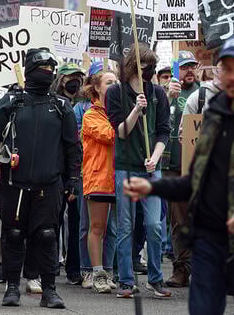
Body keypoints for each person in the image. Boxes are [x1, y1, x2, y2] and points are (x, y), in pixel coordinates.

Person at [123, 34, 234, 315]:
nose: (233, 76)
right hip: (209, 236)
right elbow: (195, 181)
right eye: (228, 68)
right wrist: (153, 188)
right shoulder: (214, 113)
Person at [0, 48, 82, 308]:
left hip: (49, 185)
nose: (47, 72)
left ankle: (49, 289)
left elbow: (73, 146)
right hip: (14, 183)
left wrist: (73, 178)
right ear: (28, 70)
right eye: (42, 67)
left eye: (51, 68)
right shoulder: (11, 101)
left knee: (47, 235)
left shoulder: (61, 106)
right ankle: (12, 286)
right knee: (13, 234)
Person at [105, 43, 171, 299]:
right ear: (134, 66)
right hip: (126, 168)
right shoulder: (115, 93)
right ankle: (126, 280)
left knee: (154, 225)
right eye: (146, 66)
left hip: (152, 170)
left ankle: (155, 278)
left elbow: (163, 130)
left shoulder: (158, 94)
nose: (151, 70)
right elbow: (120, 132)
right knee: (126, 225)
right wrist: (135, 110)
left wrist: (155, 158)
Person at [162, 51, 200, 288]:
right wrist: (167, 97)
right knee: (179, 221)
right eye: (184, 67)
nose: (188, 71)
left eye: (191, 66)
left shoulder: (205, 93)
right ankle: (182, 269)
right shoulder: (169, 93)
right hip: (175, 167)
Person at [81, 70, 118, 293]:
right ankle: (97, 273)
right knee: (97, 227)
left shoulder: (119, 111)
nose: (114, 85)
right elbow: (111, 135)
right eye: (109, 82)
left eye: (116, 82)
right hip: (99, 178)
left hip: (120, 177)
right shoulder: (90, 115)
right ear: (97, 87)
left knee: (115, 229)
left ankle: (110, 271)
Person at [52, 63, 86, 286]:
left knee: (75, 220)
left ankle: (74, 267)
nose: (75, 81)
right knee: (53, 219)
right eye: (70, 77)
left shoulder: (83, 106)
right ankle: (51, 262)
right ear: (61, 79)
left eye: (78, 77)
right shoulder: (52, 102)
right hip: (57, 166)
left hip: (77, 168)